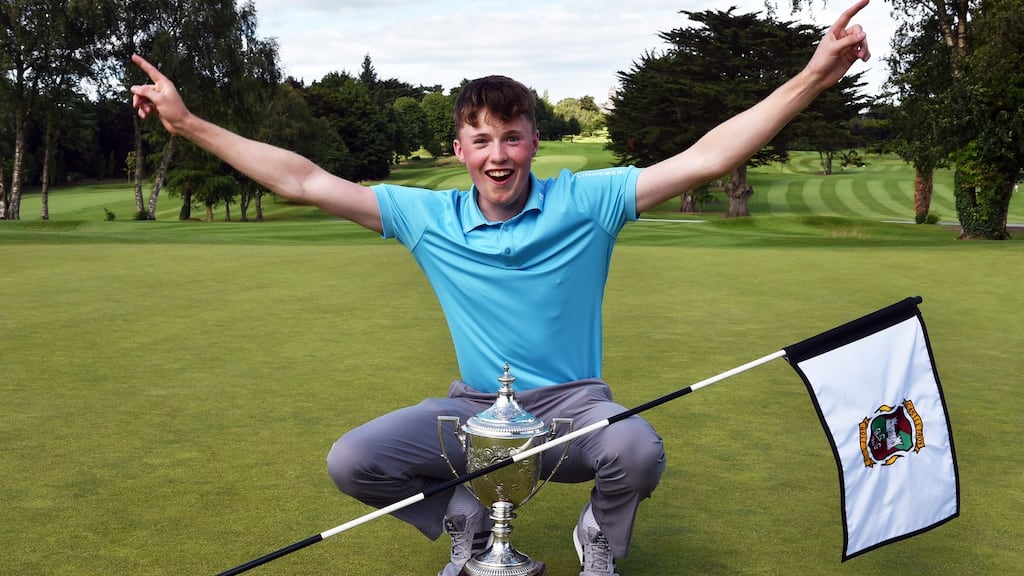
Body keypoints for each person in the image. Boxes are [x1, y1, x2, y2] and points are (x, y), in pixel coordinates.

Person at [131, 2, 870, 574]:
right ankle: (468, 525)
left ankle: (597, 539)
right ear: (458, 149)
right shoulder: (427, 216)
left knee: (638, 450)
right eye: (480, 140)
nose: (497, 155)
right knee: (353, 461)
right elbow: (302, 180)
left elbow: (708, 157)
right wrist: (190, 123)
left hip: (571, 411)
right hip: (471, 410)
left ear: (533, 143)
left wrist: (811, 75)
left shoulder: (589, 201)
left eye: (511, 137)